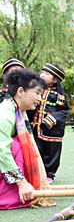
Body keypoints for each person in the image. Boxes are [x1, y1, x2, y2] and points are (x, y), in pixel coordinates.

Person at [1, 69, 55, 210]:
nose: (40, 98)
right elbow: (2, 151)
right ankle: (7, 196)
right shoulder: (5, 113)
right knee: (17, 147)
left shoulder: (16, 110)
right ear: (20, 91)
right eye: (37, 93)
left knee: (22, 146)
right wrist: (22, 183)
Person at [28, 64, 69, 183]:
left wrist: (51, 119)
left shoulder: (59, 96)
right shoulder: (36, 90)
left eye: (46, 74)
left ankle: (49, 174)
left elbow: (64, 111)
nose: (42, 75)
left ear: (55, 79)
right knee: (35, 150)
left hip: (52, 130)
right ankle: (35, 173)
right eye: (42, 72)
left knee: (51, 152)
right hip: (36, 128)